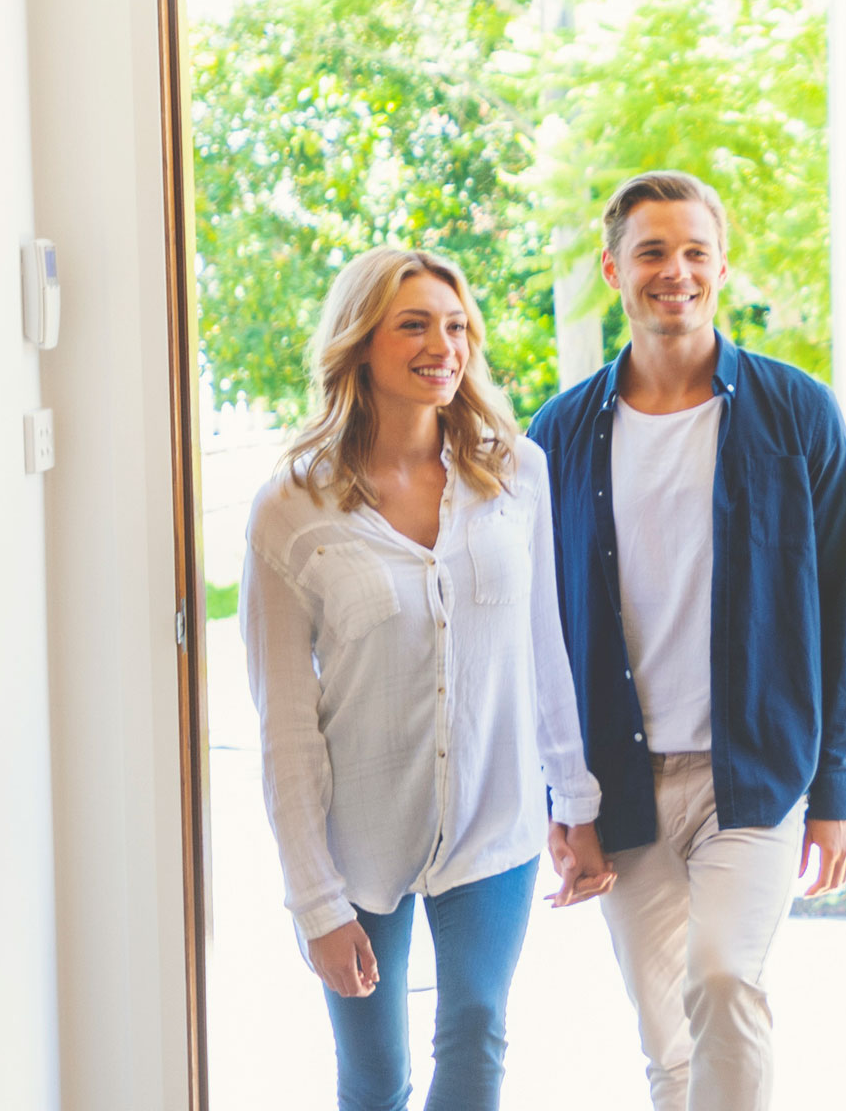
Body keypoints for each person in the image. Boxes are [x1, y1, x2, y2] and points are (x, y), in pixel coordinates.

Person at [527, 170, 846, 1111]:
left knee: (723, 979)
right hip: (622, 783)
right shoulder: (557, 437)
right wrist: (563, 798)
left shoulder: (798, 415)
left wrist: (838, 781)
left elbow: (841, 605)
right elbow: (539, 638)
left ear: (722, 266)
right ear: (613, 269)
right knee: (664, 1038)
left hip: (751, 773)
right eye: (651, 252)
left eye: (693, 252)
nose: (673, 272)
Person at [241, 247, 614, 1111]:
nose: (441, 345)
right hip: (359, 836)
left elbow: (543, 648)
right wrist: (314, 902)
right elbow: (286, 726)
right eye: (413, 324)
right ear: (359, 343)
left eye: (455, 326)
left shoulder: (516, 472)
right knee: (374, 1079)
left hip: (496, 816)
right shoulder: (290, 507)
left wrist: (577, 804)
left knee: (477, 1034)